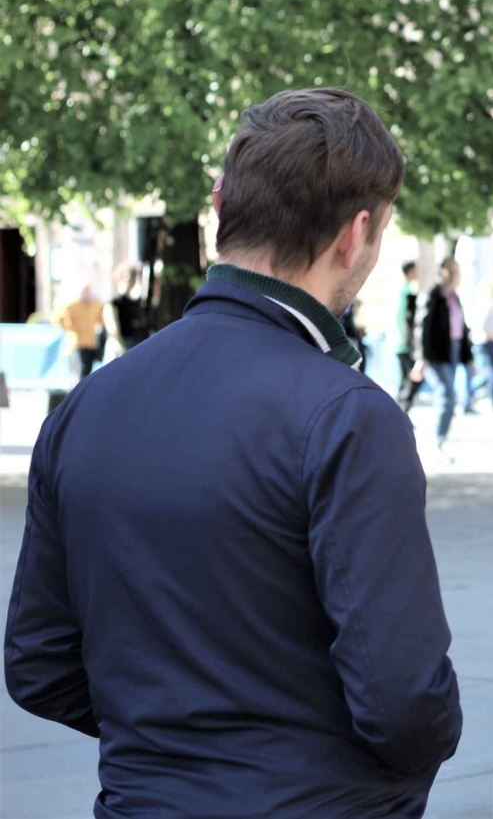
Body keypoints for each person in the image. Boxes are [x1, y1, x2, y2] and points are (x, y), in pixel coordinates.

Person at [4, 88, 463, 817]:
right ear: (357, 233)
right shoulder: (348, 416)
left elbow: (38, 663)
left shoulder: (87, 406)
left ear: (222, 205)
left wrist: (167, 744)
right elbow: (405, 701)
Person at [413, 256, 474, 454]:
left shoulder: (454, 297)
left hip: (452, 351)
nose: (456, 276)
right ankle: (438, 440)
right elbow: (422, 327)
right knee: (447, 395)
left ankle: (441, 438)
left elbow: (461, 330)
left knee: (448, 396)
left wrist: (469, 358)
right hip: (435, 354)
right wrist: (422, 357)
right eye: (453, 271)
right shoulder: (433, 295)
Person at [467, 275, 493, 413]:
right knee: (489, 372)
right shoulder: (487, 303)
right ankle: (469, 393)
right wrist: (492, 335)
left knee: (492, 371)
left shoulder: (488, 303)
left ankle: (491, 398)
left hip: (488, 342)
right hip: (486, 342)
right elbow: (483, 324)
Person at [58, 284, 105, 379]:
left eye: (89, 291)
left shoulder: (95, 304)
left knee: (88, 370)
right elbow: (58, 318)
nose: (88, 294)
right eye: (86, 291)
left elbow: (102, 320)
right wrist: (72, 327)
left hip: (91, 343)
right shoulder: (72, 304)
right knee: (80, 371)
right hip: (77, 344)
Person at [396, 260, 422, 412]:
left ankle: (399, 411)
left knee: (405, 379)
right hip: (404, 343)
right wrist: (409, 341)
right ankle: (401, 411)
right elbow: (404, 320)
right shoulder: (406, 292)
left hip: (400, 342)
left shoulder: (402, 290)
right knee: (413, 378)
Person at [105, 264, 148, 354]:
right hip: (121, 347)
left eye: (134, 277)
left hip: (134, 345)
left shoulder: (135, 303)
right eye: (129, 277)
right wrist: (120, 348)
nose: (133, 280)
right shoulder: (114, 303)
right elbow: (113, 329)